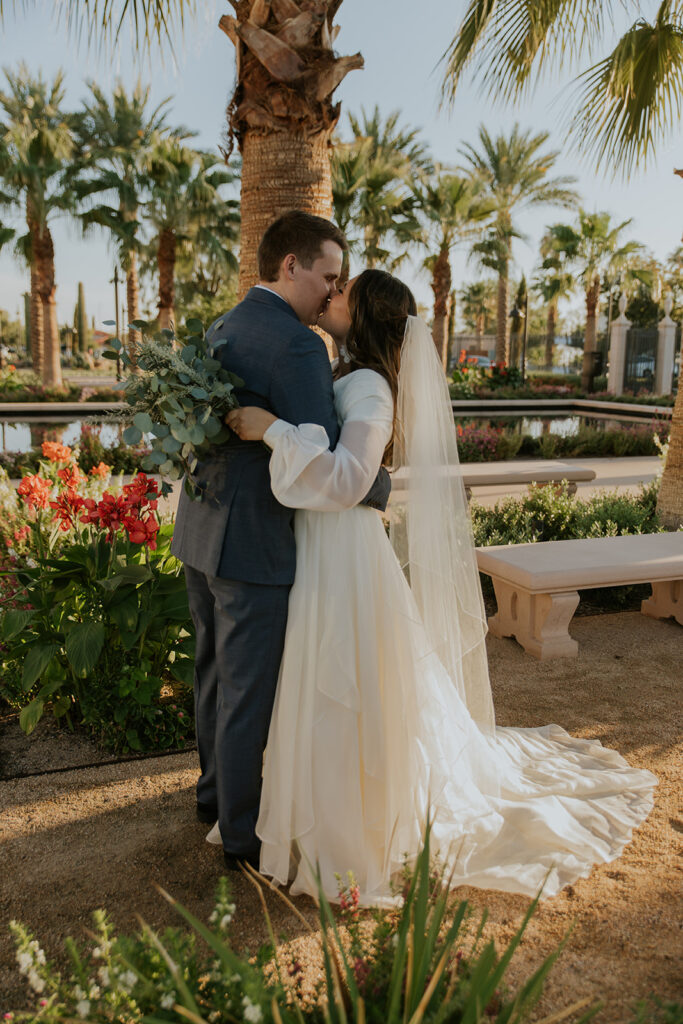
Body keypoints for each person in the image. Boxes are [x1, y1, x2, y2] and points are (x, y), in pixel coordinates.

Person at [223, 269, 657, 905]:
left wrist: (271, 430)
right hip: (323, 547)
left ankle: (354, 826)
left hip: (344, 552)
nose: (332, 294)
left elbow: (347, 480)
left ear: (365, 313)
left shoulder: (369, 386)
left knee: (344, 679)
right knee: (331, 675)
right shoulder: (343, 373)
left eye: (346, 291)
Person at [171, 213, 391, 870]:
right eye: (325, 276)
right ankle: (241, 834)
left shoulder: (222, 325)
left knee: (211, 675)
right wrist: (379, 489)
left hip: (201, 529)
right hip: (255, 543)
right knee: (245, 689)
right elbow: (323, 453)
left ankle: (214, 797)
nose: (330, 292)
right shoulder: (297, 347)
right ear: (289, 265)